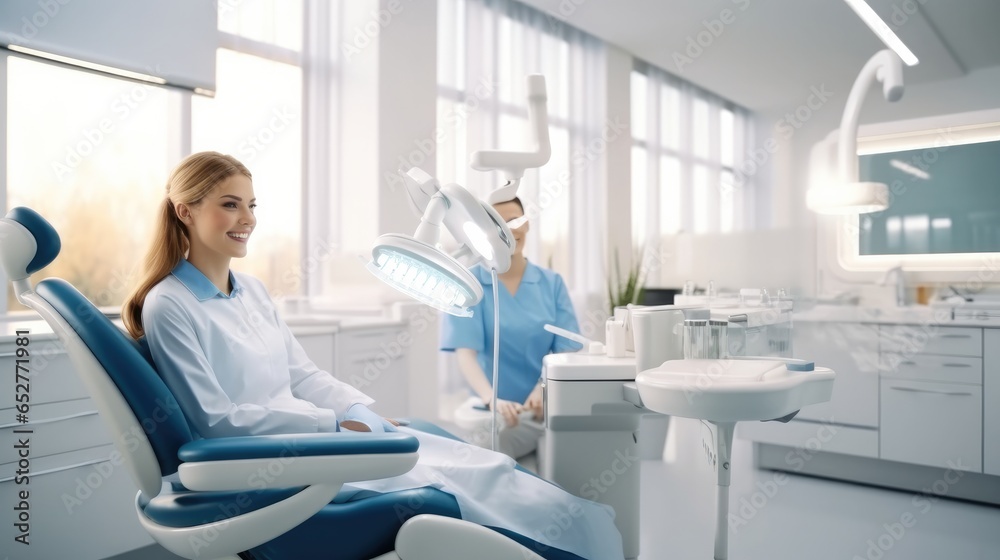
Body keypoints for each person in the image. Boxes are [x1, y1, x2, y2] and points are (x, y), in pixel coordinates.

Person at [122, 152, 623, 560]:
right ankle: (577, 546)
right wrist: (330, 430)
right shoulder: (172, 304)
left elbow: (303, 374)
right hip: (284, 463)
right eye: (230, 205)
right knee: (459, 484)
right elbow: (216, 421)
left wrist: (356, 411)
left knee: (477, 462)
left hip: (316, 440)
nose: (247, 219)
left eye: (252, 205)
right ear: (184, 211)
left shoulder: (249, 290)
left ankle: (588, 535)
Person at [439, 197, 583, 460]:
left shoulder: (551, 283)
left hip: (541, 406)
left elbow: (567, 352)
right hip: (490, 408)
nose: (510, 230)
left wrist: (542, 389)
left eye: (516, 220)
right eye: (499, 223)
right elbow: (466, 353)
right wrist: (491, 399)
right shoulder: (470, 283)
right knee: (496, 438)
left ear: (527, 224)